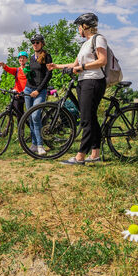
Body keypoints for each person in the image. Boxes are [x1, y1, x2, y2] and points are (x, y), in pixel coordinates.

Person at [47, 13, 107, 165]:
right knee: (91, 118)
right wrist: (57, 66)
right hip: (83, 81)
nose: (78, 29)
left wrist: (83, 67)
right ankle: (95, 154)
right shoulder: (85, 44)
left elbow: (102, 60)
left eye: (79, 26)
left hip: (93, 81)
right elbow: (74, 65)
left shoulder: (98, 39)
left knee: (86, 119)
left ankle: (80, 156)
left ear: (85, 26)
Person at [23, 34, 54, 155]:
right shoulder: (31, 58)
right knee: (30, 117)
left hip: (40, 91)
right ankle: (34, 144)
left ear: (42, 43)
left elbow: (48, 75)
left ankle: (40, 145)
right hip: (28, 89)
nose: (35, 44)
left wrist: (38, 89)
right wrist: (27, 73)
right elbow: (31, 75)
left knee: (36, 116)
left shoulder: (47, 56)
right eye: (33, 43)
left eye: (37, 42)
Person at [0, 51, 28, 119]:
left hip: (25, 94)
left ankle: (26, 126)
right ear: (18, 60)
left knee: (26, 113)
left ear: (27, 59)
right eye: (20, 58)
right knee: (18, 113)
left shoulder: (29, 70)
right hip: (17, 94)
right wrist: (3, 65)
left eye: (23, 58)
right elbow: (9, 69)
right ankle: (20, 128)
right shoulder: (17, 70)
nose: (22, 59)